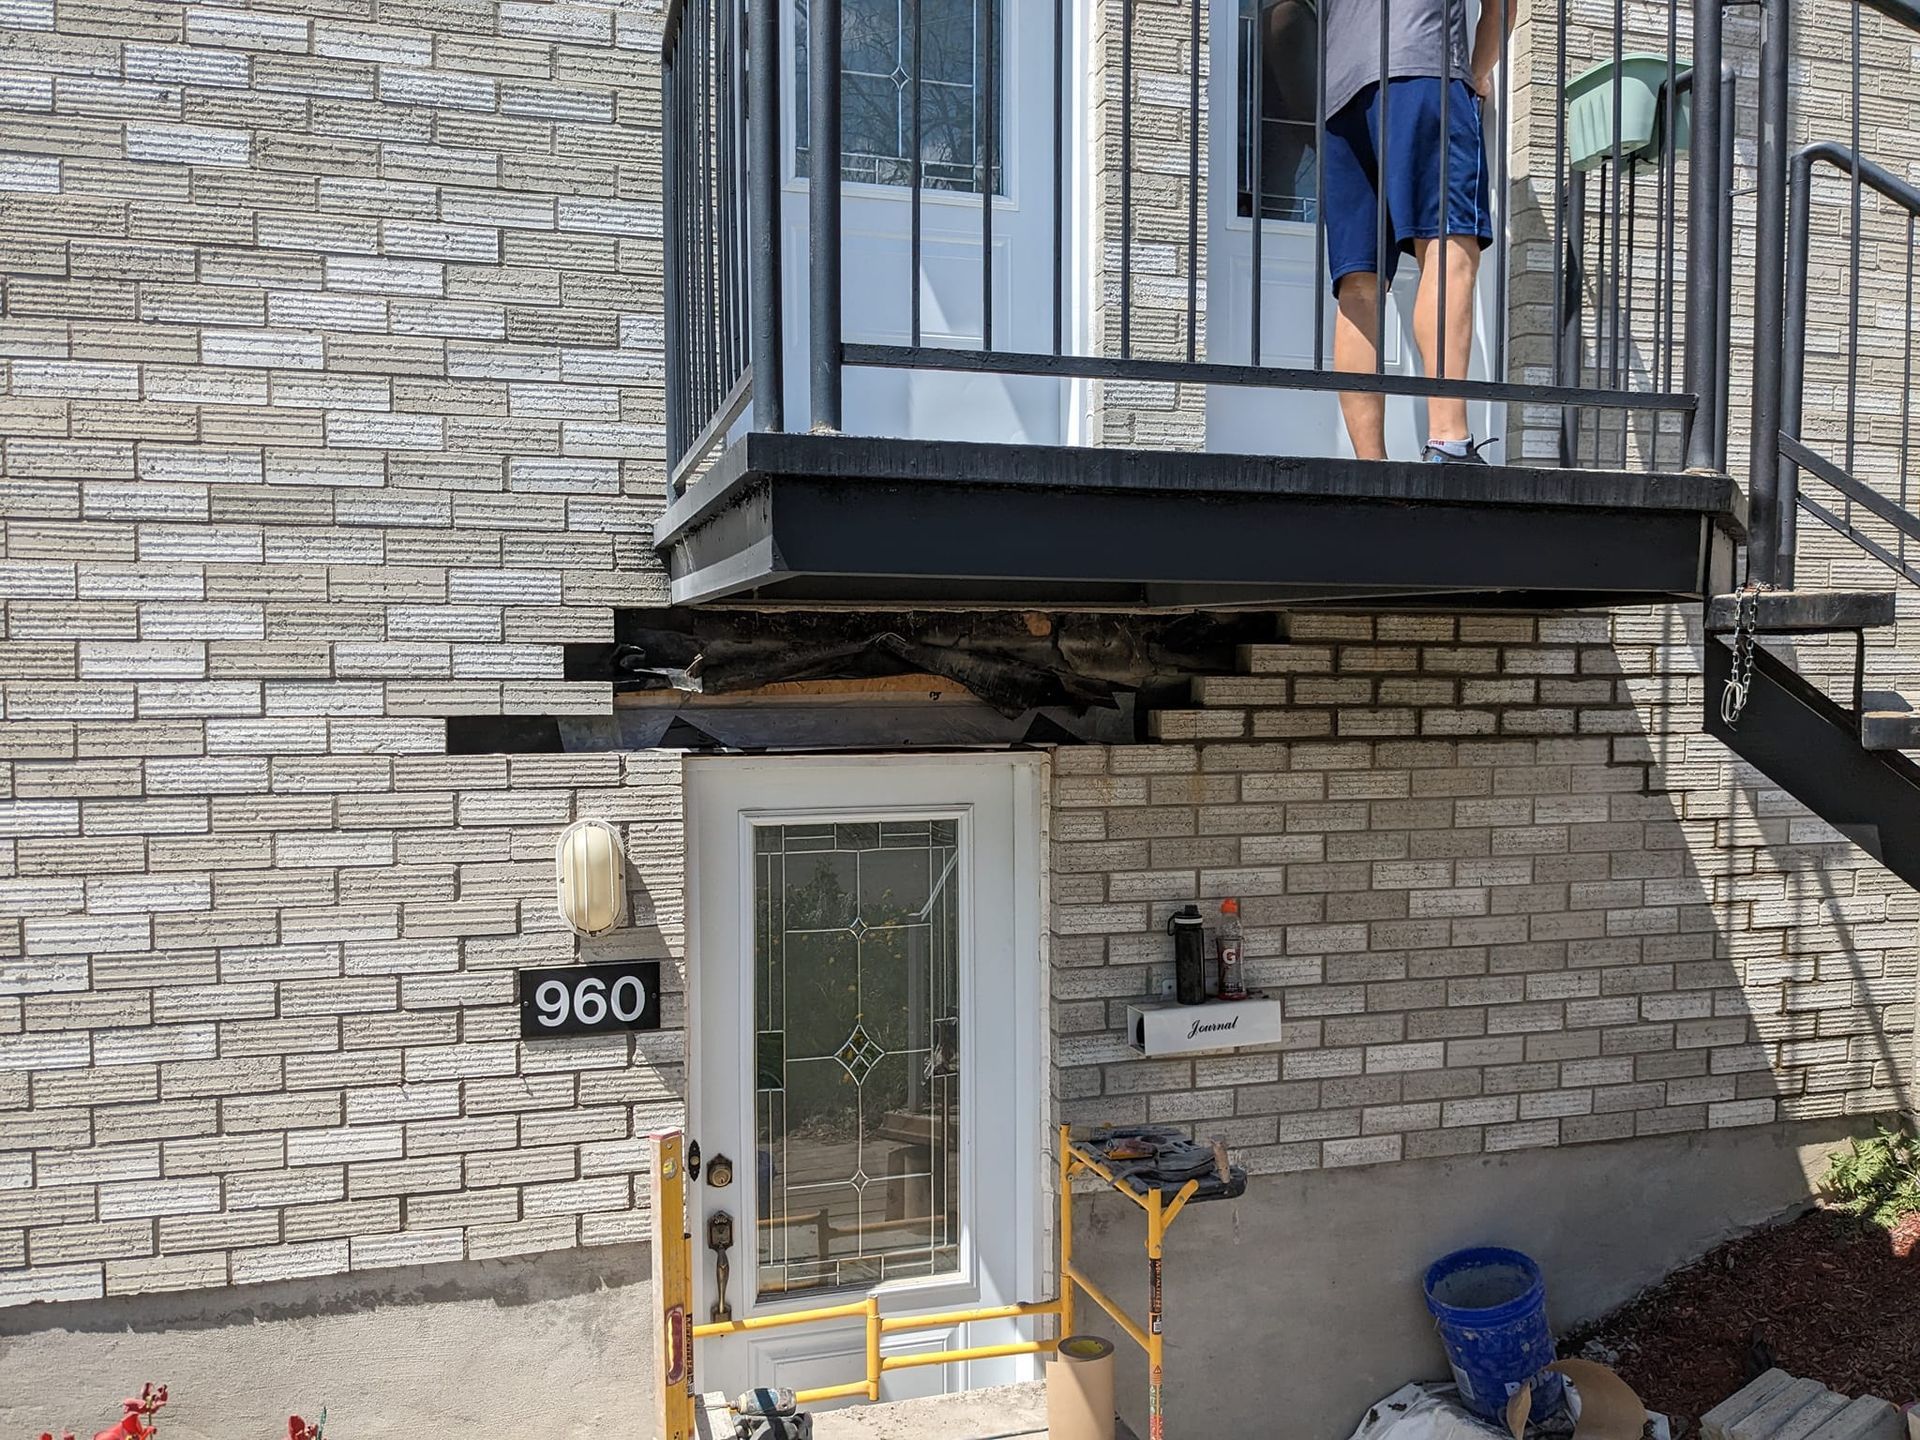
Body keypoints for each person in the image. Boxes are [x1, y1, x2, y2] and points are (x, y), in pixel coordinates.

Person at [1320, 0, 1511, 461]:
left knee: (1359, 285)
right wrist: (1479, 74)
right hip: (1424, 65)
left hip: (1340, 94)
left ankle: (1371, 467)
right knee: (1449, 247)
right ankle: (1449, 441)